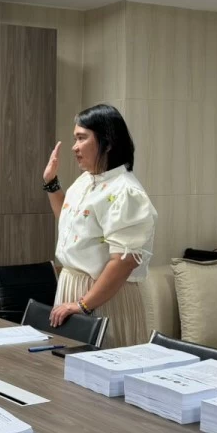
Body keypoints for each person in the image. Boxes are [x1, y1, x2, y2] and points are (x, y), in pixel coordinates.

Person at [43, 104, 158, 348]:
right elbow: (69, 221)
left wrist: (84, 304)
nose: (74, 147)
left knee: (99, 377)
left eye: (81, 138)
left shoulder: (124, 191)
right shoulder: (86, 181)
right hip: (73, 287)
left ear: (107, 142)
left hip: (103, 296)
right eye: (75, 139)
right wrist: (51, 182)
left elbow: (125, 260)